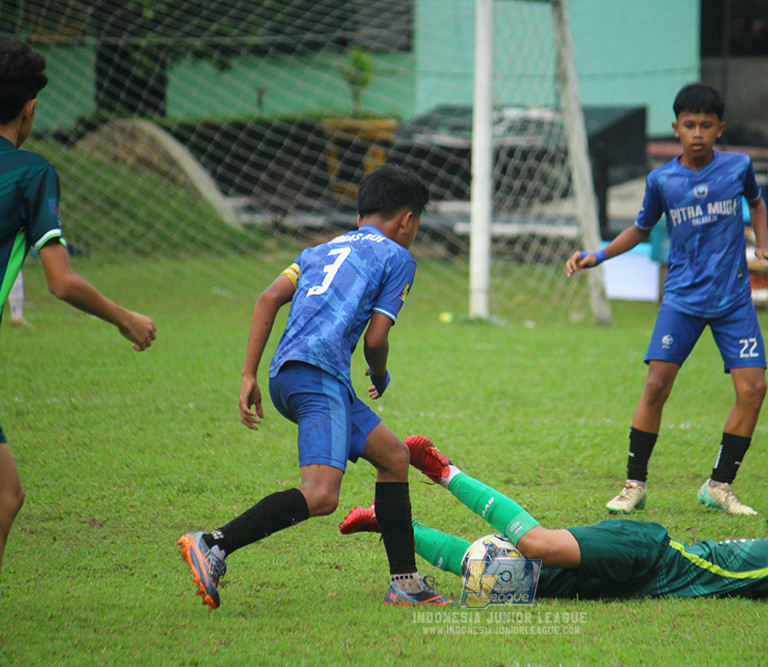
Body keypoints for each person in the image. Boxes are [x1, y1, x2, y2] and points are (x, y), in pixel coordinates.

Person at [176, 164, 450, 609]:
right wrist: (380, 374)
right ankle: (213, 543)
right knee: (321, 494)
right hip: (318, 375)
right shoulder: (398, 256)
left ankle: (406, 584)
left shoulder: (318, 250)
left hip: (287, 374)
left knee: (394, 457)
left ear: (361, 214)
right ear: (407, 220)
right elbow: (376, 340)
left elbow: (268, 298)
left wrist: (248, 375)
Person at [341, 435, 768, 606]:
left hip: (637, 577)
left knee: (509, 577)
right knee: (533, 543)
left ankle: (389, 525)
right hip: (645, 552)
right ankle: (444, 470)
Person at [565, 83, 768, 515]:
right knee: (656, 385)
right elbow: (640, 229)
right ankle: (634, 485)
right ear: (676, 128)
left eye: (706, 125)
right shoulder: (663, 180)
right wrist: (598, 255)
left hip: (733, 300)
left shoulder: (739, 166)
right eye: (689, 125)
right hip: (683, 299)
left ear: (720, 128)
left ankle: (720, 485)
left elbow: (758, 203)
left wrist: (763, 245)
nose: (697, 133)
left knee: (754, 388)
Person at [0, 38, 156, 593]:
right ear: (29, 109)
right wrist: (124, 318)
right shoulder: (30, 173)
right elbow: (61, 281)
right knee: (5, 495)